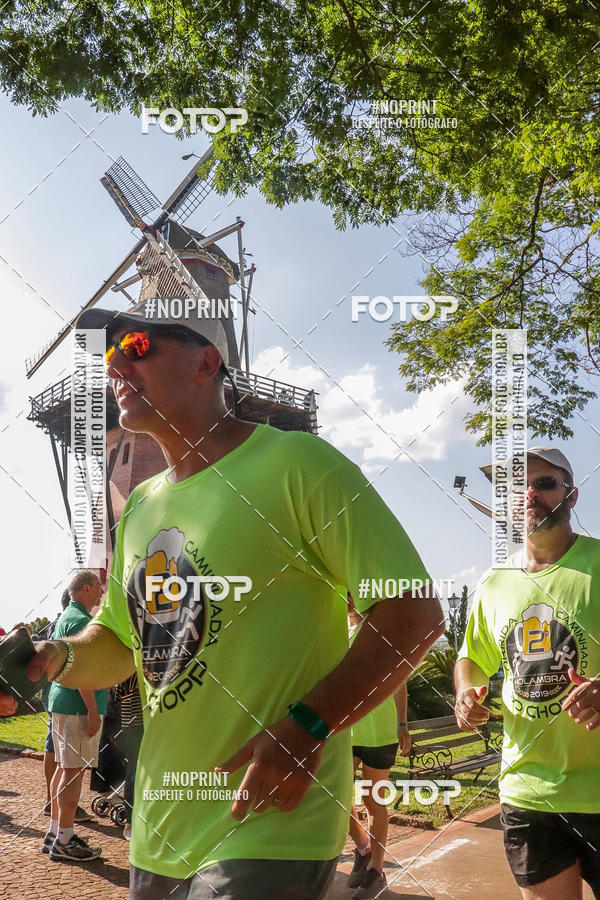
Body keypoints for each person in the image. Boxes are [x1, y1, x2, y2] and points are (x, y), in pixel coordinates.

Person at [1, 298, 443, 899]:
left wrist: (309, 725)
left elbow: (411, 611)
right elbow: (122, 642)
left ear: (207, 361)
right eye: (109, 354)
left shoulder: (298, 464)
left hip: (269, 819)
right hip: (161, 827)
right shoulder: (139, 509)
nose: (115, 365)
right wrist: (57, 655)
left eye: (137, 347)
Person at [454, 447, 600, 900]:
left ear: (571, 496)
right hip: (528, 794)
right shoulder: (495, 582)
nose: (529, 493)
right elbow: (471, 657)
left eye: (544, 483)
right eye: (519, 485)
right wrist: (465, 692)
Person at [347, 597, 412, 898]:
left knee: (374, 801)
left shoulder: (382, 630)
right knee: (335, 798)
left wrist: (402, 724)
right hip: (345, 732)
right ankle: (363, 846)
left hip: (381, 732)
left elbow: (400, 681)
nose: (348, 599)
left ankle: (376, 869)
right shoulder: (333, 633)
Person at [45, 570, 107, 862]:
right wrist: (93, 710)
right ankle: (65, 840)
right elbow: (82, 670)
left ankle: (57, 831)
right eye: (97, 588)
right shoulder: (81, 620)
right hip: (77, 707)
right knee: (72, 774)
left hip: (64, 702)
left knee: (63, 768)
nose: (100, 593)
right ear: (85, 589)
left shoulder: (66, 617)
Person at [38, 590, 91, 824]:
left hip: (54, 691)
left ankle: (53, 807)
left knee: (57, 753)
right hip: (64, 693)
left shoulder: (56, 624)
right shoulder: (76, 622)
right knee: (65, 759)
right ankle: (61, 820)